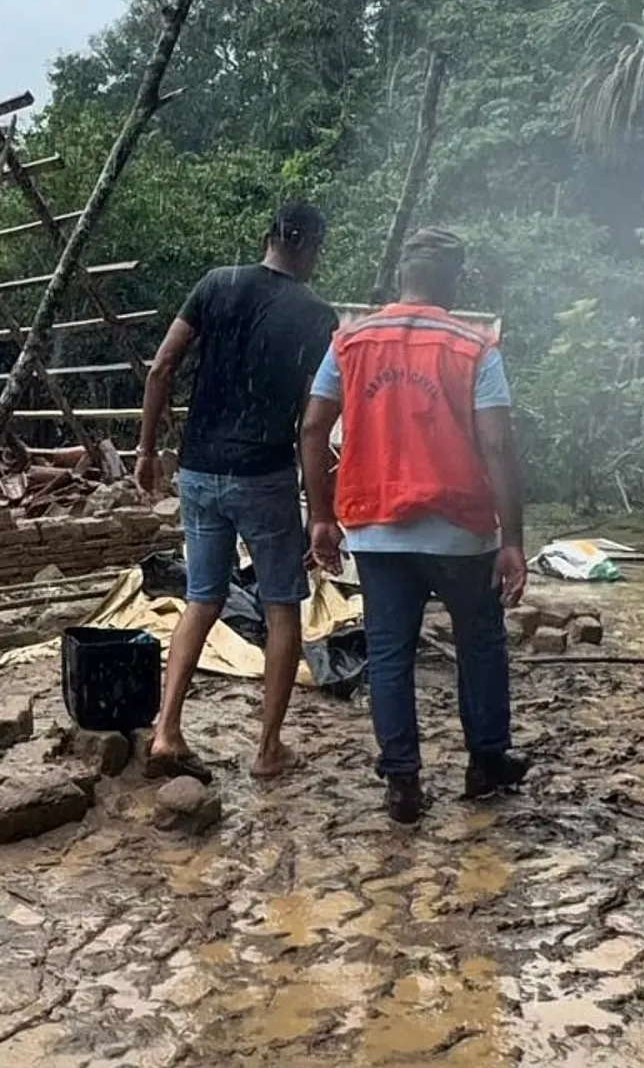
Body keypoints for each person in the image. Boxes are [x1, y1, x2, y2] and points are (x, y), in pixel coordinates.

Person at [300, 227, 529, 825]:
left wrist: (320, 515)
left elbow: (312, 428)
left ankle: (402, 782)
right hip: (460, 529)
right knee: (479, 642)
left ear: (402, 277)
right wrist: (515, 542)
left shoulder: (349, 341)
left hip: (375, 528)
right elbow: (499, 446)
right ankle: (485, 763)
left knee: (389, 652)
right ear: (453, 281)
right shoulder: (474, 347)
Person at [134, 202, 338, 780]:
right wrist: (319, 501)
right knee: (281, 608)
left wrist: (147, 451)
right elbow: (312, 416)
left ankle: (167, 730)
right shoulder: (316, 314)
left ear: (268, 238)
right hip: (264, 476)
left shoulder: (215, 284)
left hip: (199, 472)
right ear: (308, 248)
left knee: (203, 599)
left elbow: (161, 368)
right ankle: (268, 750)